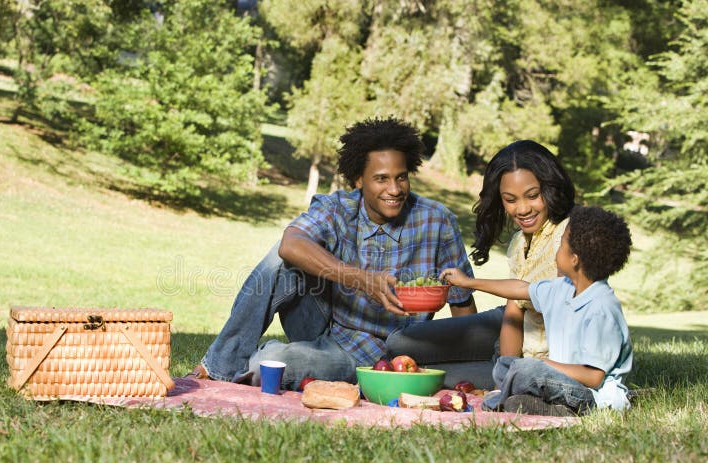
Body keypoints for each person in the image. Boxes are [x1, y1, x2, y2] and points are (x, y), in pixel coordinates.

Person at [190, 117, 478, 390]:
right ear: (358, 180)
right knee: (282, 260)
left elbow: (462, 302)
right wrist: (361, 279)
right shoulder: (338, 208)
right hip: (326, 329)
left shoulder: (437, 220)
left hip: (384, 353)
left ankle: (276, 355)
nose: (394, 189)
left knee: (271, 365)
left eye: (401, 178)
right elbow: (290, 244)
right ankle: (221, 365)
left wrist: (473, 362)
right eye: (381, 179)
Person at [386, 140, 576, 387]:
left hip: (541, 361)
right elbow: (513, 312)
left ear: (550, 187)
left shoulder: (569, 235)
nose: (522, 209)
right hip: (506, 337)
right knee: (399, 344)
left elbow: (543, 296)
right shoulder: (520, 242)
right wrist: (506, 366)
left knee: (426, 377)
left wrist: (509, 379)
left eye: (532, 196)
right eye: (510, 199)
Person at [441, 205, 634, 416]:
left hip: (594, 397)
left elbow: (593, 377)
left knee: (527, 370)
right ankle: (530, 405)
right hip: (560, 382)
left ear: (574, 259)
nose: (555, 252)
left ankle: (508, 402)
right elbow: (520, 288)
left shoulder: (601, 308)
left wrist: (543, 365)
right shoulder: (563, 289)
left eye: (560, 246)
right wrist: (469, 282)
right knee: (506, 364)